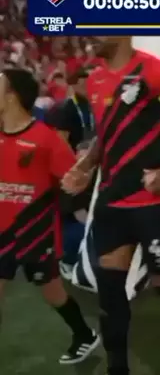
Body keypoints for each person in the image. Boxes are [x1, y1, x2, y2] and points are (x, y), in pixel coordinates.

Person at [60, 37, 160, 375]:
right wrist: (85, 166)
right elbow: (105, 134)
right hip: (111, 202)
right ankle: (118, 369)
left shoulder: (156, 72)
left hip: (153, 203)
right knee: (110, 290)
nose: (90, 35)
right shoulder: (95, 79)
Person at [0, 68, 100, 364]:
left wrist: (77, 181)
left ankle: (84, 334)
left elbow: (74, 181)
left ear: (12, 96)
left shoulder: (46, 139)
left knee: (52, 291)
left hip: (35, 231)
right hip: (2, 231)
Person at [45, 66, 94, 269]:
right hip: (70, 171)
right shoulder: (64, 109)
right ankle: (67, 258)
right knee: (73, 214)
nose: (89, 85)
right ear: (74, 84)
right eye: (84, 81)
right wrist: (76, 166)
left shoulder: (92, 105)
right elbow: (60, 143)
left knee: (84, 213)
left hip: (88, 168)